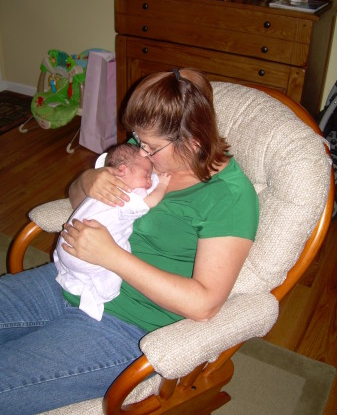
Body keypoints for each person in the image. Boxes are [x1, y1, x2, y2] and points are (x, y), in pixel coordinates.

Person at [0, 68, 259, 414]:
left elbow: (205, 303)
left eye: (150, 146)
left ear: (193, 141)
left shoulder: (229, 197)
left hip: (126, 326)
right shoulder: (144, 153)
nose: (140, 150)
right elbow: (79, 199)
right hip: (70, 279)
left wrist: (111, 256)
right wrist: (89, 180)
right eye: (138, 137)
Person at [54, 143, 171, 321]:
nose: (149, 181)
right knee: (119, 252)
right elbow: (151, 201)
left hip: (65, 246)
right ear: (122, 170)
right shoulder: (128, 195)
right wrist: (161, 184)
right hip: (86, 258)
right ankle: (100, 295)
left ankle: (75, 281)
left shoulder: (108, 185)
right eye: (146, 176)